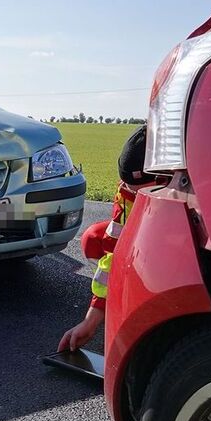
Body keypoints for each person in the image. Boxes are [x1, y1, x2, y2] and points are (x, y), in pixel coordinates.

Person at [58, 125, 153, 352]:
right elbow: (113, 249)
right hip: (149, 241)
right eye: (131, 190)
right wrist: (92, 319)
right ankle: (122, 293)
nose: (134, 197)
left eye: (143, 192)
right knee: (93, 238)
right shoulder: (128, 192)